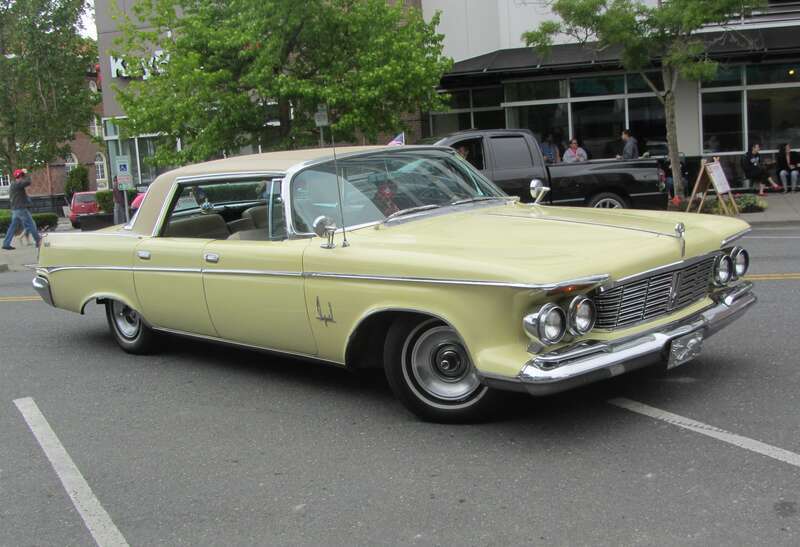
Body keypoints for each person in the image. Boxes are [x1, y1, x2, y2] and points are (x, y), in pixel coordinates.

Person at [2, 169, 42, 250]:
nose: (23, 177)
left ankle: (6, 243)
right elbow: (28, 182)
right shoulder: (18, 183)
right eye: (22, 176)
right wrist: (27, 173)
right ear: (20, 176)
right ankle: (38, 241)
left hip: (15, 209)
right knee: (31, 224)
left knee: (12, 227)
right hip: (21, 209)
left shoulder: (13, 184)